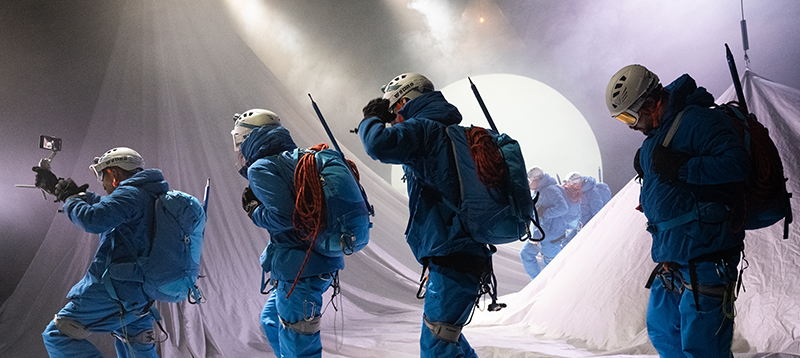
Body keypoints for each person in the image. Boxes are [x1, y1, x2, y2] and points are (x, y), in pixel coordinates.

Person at [605, 64, 749, 358]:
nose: (630, 125)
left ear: (651, 102)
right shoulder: (657, 135)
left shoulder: (699, 121)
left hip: (707, 257)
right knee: (663, 333)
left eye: (629, 116)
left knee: (703, 347)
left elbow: (738, 165)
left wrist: (682, 168)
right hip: (673, 257)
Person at [358, 73, 494, 358]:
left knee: (437, 344)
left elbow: (378, 144)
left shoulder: (425, 129)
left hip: (452, 251)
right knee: (446, 337)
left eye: (393, 110)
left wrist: (371, 118)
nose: (393, 119)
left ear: (404, 102)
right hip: (462, 248)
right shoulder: (451, 131)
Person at [231, 108, 343, 358]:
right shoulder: (297, 158)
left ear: (248, 138)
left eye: (239, 140)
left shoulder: (261, 167)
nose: (238, 149)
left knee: (299, 341)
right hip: (318, 262)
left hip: (299, 271)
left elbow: (285, 217)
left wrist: (253, 210)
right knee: (271, 318)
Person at [35, 147, 165, 358]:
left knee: (59, 334)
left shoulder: (130, 194)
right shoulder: (148, 194)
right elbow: (107, 206)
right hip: (142, 294)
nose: (102, 185)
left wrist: (70, 198)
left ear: (113, 174)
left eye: (102, 176)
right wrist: (61, 189)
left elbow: (93, 219)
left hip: (116, 290)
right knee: (136, 343)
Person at [518, 167, 578, 280]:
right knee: (526, 253)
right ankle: (536, 282)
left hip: (552, 238)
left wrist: (545, 212)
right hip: (539, 235)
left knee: (550, 270)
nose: (528, 184)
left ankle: (547, 290)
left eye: (529, 181)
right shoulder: (537, 192)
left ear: (537, 179)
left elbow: (563, 208)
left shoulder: (551, 190)